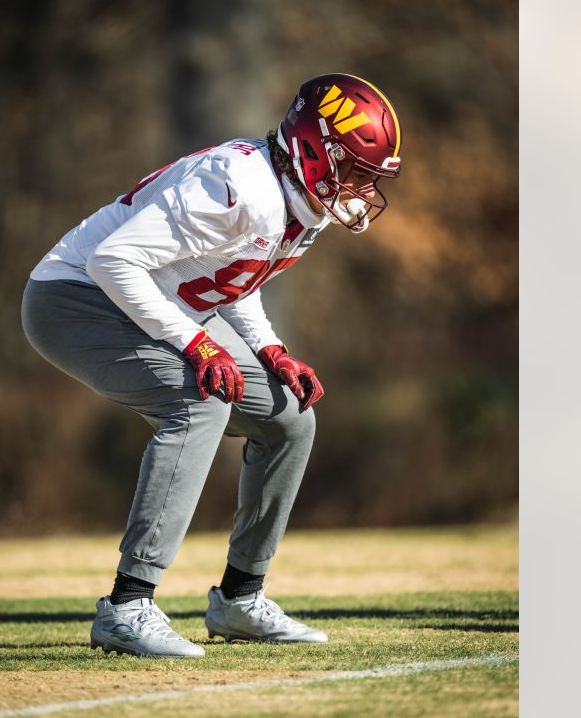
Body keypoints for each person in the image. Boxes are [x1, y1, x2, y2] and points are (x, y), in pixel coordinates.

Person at [21, 74, 402, 657]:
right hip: (74, 296)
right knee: (198, 400)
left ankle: (240, 599)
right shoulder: (237, 184)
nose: (358, 190)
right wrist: (198, 346)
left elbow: (228, 276)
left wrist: (268, 348)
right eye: (351, 171)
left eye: (367, 178)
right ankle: (127, 605)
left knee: (290, 419)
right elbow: (113, 260)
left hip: (157, 298)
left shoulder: (298, 203)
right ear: (310, 150)